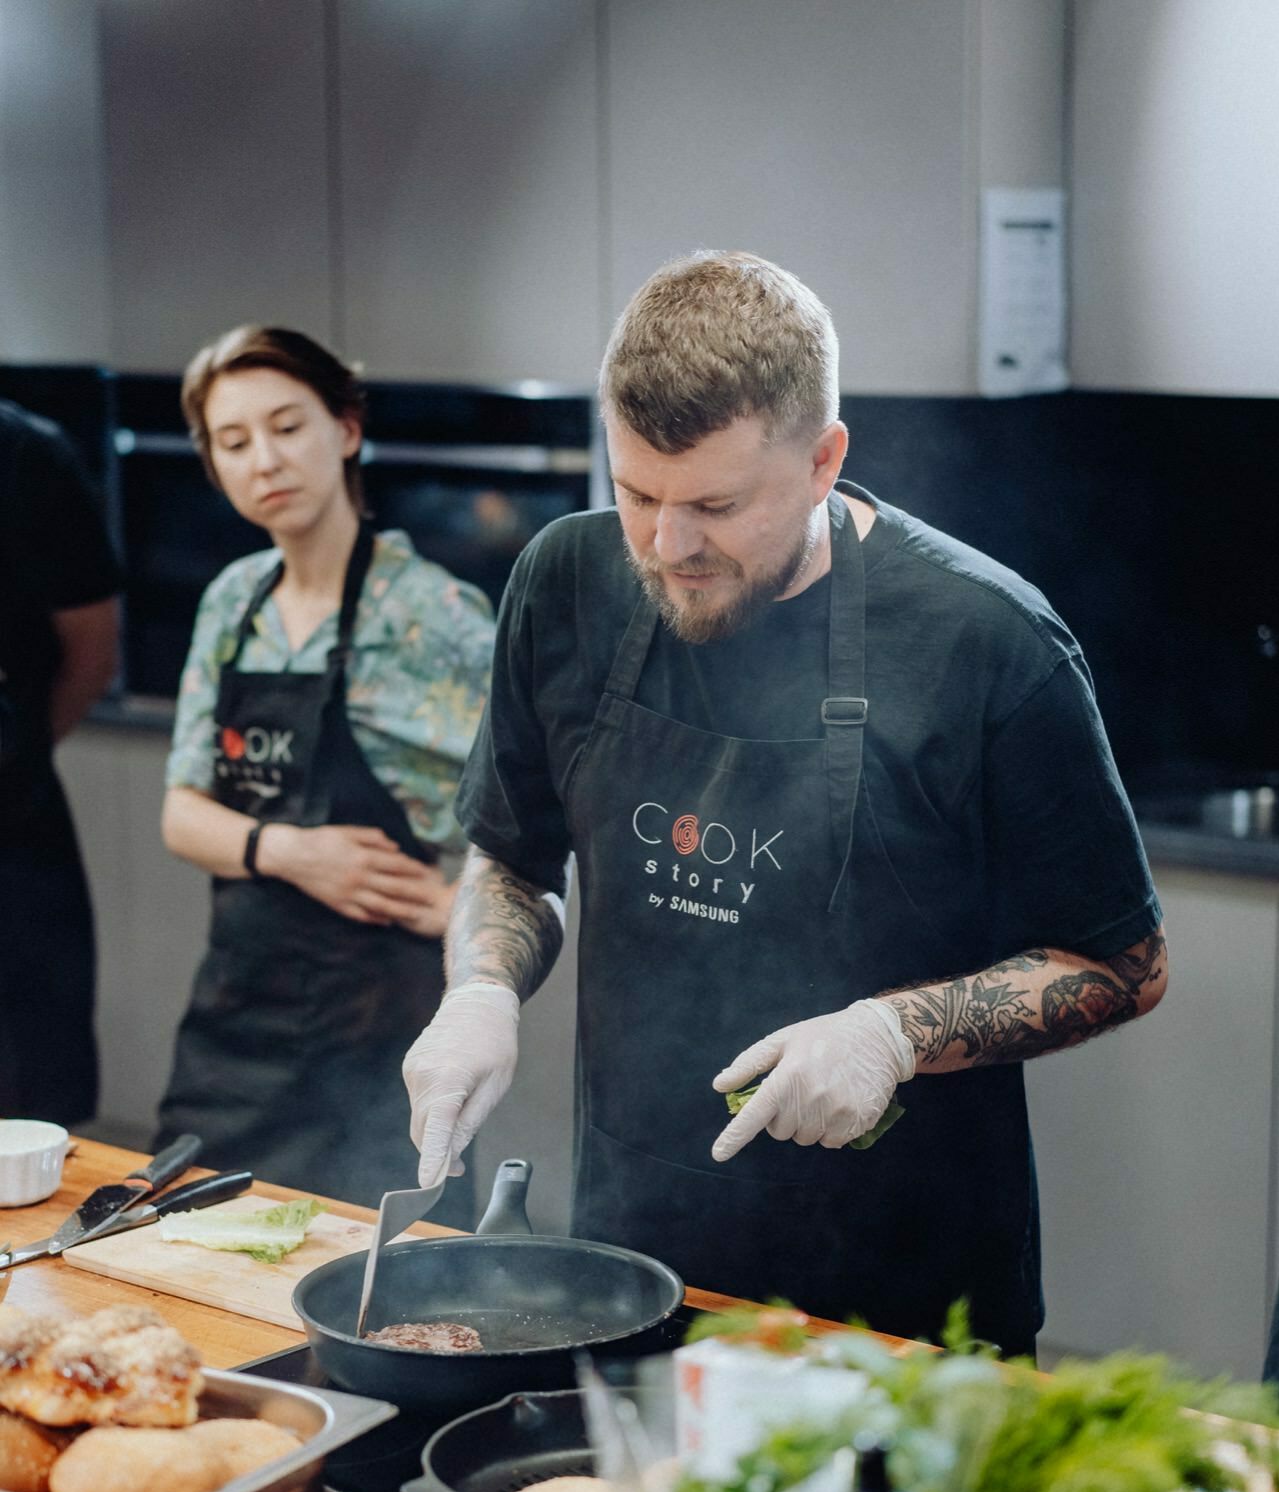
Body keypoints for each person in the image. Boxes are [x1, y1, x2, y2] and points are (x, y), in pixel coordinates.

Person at [401, 253, 1168, 1354]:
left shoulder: (987, 642)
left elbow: (1122, 965)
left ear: (822, 461)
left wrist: (892, 1035)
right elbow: (515, 858)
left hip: (903, 1299)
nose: (668, 548)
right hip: (635, 1258)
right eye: (636, 495)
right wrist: (479, 989)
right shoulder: (564, 580)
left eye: (714, 505)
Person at [155, 326, 493, 1215]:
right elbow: (183, 816)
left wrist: (462, 907)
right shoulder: (234, 601)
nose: (264, 459)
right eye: (234, 442)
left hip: (377, 1043)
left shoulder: (432, 614)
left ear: (345, 428)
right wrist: (291, 851)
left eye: (287, 426)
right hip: (235, 1025)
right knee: (176, 1253)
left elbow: (544, 808)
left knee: (385, 1301)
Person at [0, 398, 121, 1127]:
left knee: (31, 1114)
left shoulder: (25, 458)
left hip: (13, 843)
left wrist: (17, 760)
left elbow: (90, 654)